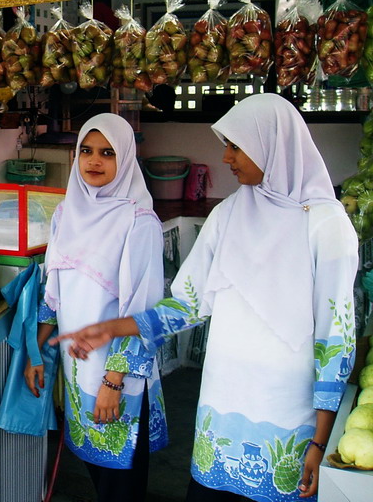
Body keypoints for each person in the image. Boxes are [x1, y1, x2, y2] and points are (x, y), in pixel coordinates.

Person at [53, 94, 358, 502]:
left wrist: (321, 443)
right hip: (222, 401)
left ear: (272, 144)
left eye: (236, 146)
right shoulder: (228, 214)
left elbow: (335, 338)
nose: (226, 158)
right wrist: (116, 326)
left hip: (288, 411)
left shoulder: (326, 224)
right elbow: (188, 304)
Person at [24, 113, 168, 501]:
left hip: (116, 373)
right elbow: (53, 293)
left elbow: (144, 314)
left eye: (107, 153)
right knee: (96, 471)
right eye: (86, 151)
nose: (94, 161)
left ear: (126, 160)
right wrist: (35, 352)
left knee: (121, 482)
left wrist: (113, 383)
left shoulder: (139, 223)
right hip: (78, 369)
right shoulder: (66, 213)